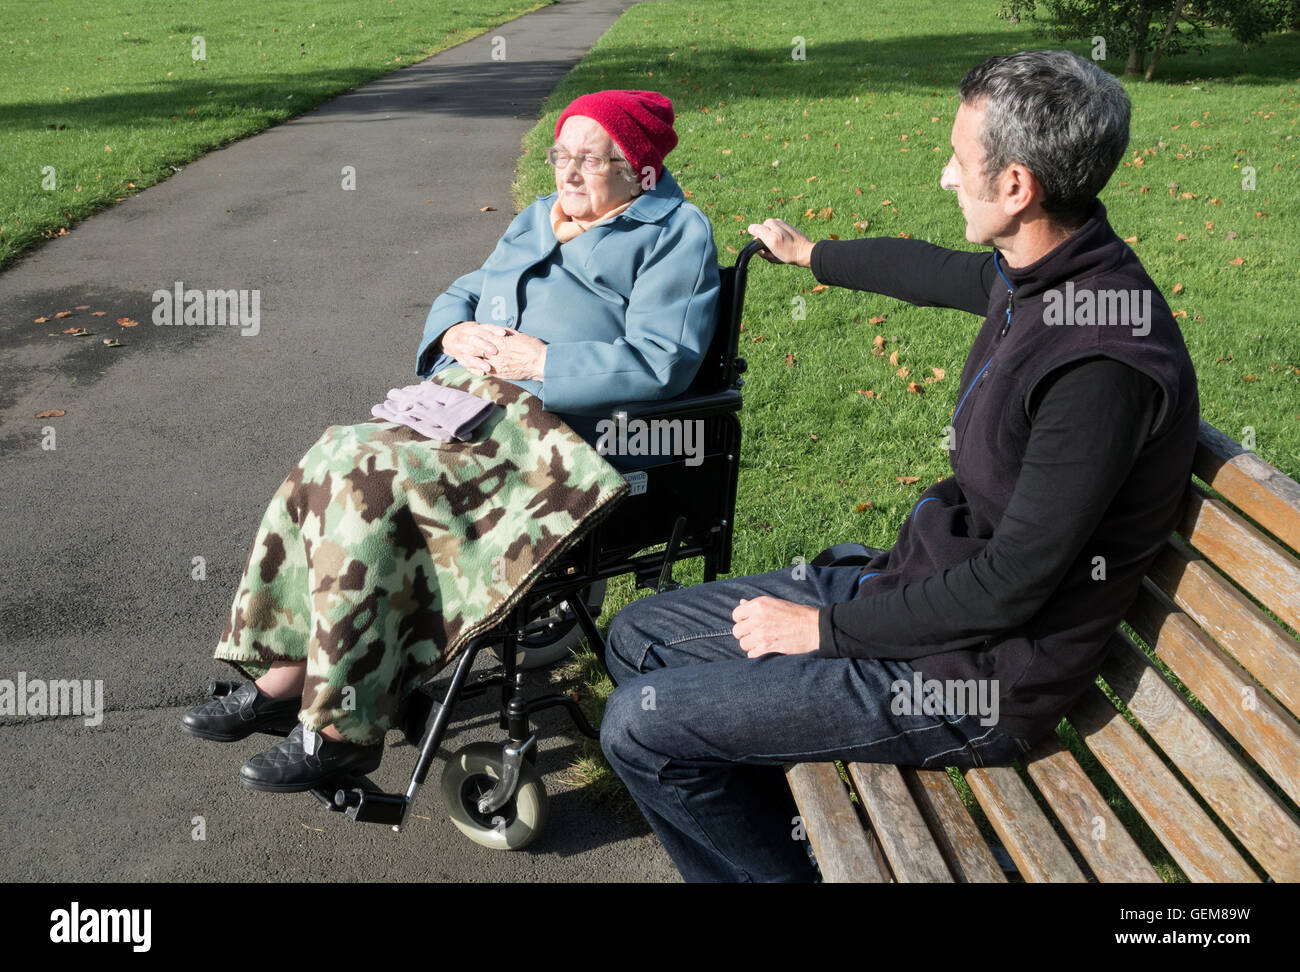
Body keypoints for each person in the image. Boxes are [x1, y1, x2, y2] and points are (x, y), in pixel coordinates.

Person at [598, 50, 1201, 882]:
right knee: (637, 639)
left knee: (638, 724)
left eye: (960, 158)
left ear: (1017, 185)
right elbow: (939, 271)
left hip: (975, 679)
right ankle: (788, 837)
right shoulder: (1049, 272)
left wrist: (824, 632)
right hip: (914, 596)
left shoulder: (1099, 364)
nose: (946, 175)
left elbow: (1013, 585)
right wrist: (814, 254)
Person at [181, 89, 721, 793]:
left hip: (559, 440)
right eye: (563, 155)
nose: (569, 172)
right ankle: (287, 674)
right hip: (464, 407)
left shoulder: (674, 232)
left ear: (638, 169)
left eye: (592, 159)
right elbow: (466, 289)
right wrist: (452, 333)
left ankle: (343, 731)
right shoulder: (539, 219)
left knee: (379, 489)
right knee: (335, 454)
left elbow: (663, 358)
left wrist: (544, 364)